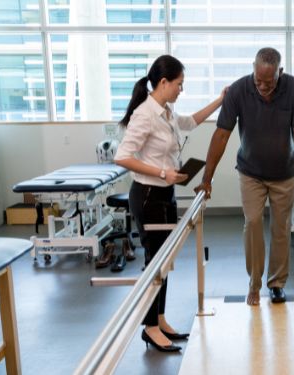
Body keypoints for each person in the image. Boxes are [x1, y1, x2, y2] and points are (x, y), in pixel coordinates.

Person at [114, 55, 226, 352]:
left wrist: (220, 101)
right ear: (163, 82)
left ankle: (160, 319)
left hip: (165, 193)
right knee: (154, 263)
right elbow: (122, 157)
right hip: (148, 195)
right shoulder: (144, 114)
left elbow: (190, 122)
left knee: (165, 263)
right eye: (179, 84)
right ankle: (150, 328)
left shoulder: (166, 111)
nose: (181, 90)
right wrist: (164, 172)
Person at [194, 47, 294, 306]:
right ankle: (254, 282)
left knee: (280, 228)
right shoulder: (240, 90)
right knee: (252, 222)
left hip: (284, 173)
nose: (263, 86)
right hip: (251, 172)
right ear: (253, 68)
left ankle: (276, 283)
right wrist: (206, 179)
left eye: (269, 81)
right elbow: (221, 135)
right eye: (258, 80)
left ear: (280, 73)